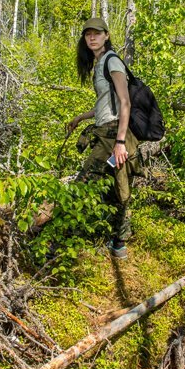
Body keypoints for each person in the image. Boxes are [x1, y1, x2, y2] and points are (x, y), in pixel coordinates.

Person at [66, 17, 140, 260]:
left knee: (84, 184)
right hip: (106, 131)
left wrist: (119, 143)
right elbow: (104, 105)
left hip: (114, 134)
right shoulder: (99, 64)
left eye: (97, 33)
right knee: (112, 187)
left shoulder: (112, 61)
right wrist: (81, 117)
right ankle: (117, 241)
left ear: (106, 35)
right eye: (88, 34)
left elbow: (125, 103)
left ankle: (67, 241)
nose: (92, 37)